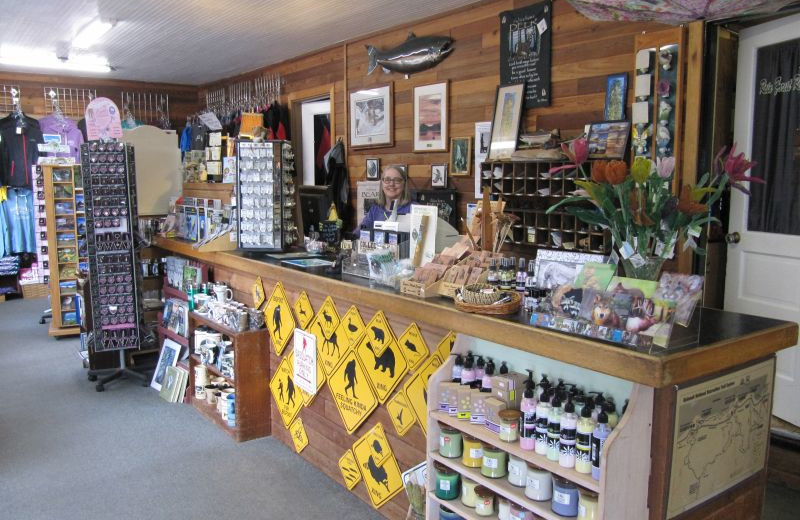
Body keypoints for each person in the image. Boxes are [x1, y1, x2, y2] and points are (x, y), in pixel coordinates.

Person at [359, 165, 411, 230]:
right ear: (382, 184)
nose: (391, 184)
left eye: (397, 180)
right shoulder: (375, 209)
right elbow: (360, 231)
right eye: (387, 180)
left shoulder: (413, 209)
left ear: (404, 184)